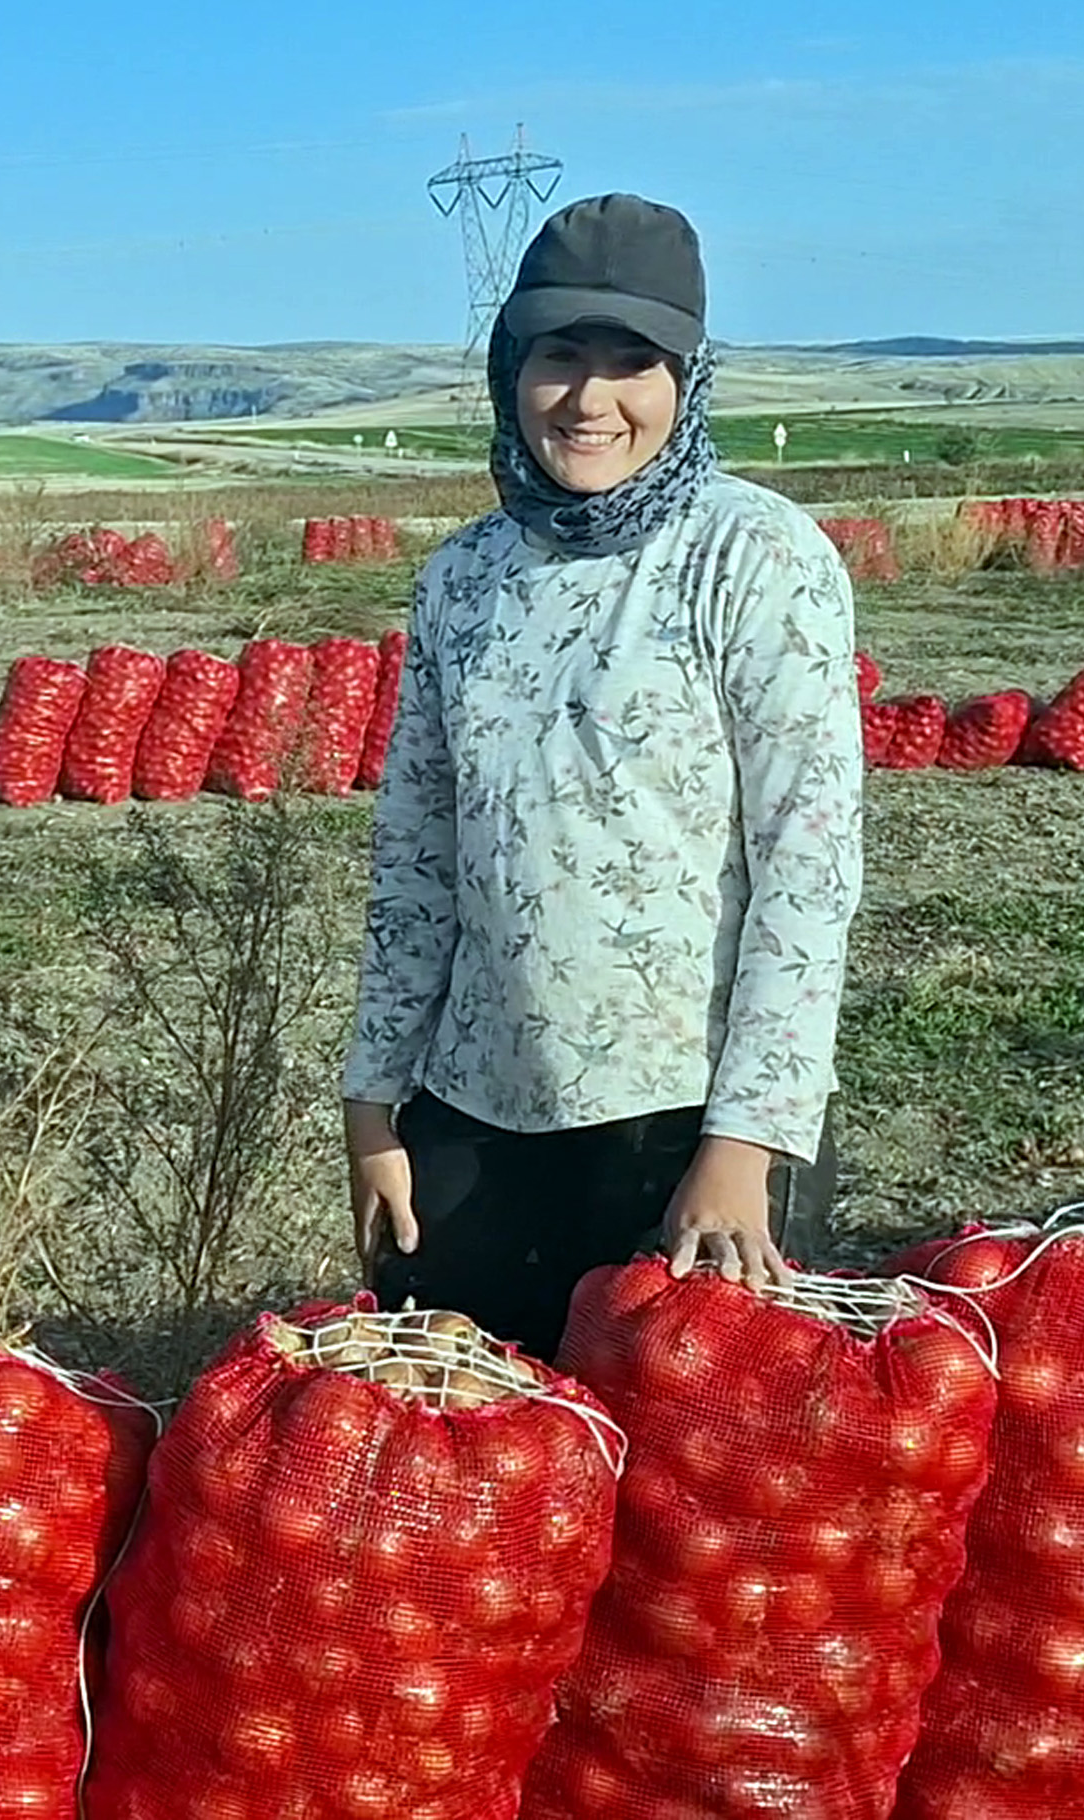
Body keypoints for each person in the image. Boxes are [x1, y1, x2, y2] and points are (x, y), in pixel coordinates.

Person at [342, 193, 862, 1364]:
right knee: (463, 1471)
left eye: (634, 362)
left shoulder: (755, 556)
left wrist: (745, 1142)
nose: (590, 401)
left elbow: (809, 862)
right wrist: (374, 1100)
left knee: (691, 1484)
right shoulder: (463, 577)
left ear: (689, 375)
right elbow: (417, 855)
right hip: (475, 1115)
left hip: (683, 1127)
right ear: (509, 367)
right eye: (559, 357)